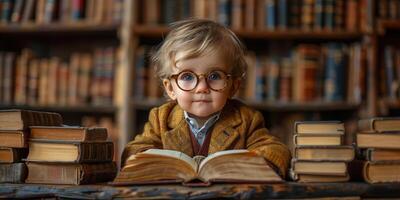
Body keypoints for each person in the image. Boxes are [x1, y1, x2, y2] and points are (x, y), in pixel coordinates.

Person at [121, 19, 291, 178]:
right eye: (187, 77)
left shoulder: (246, 119)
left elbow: (276, 151)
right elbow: (134, 151)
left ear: (233, 86)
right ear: (170, 88)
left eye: (215, 76)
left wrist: (244, 166)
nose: (202, 88)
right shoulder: (161, 118)